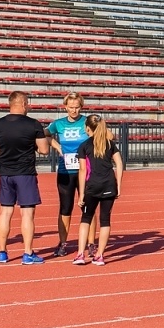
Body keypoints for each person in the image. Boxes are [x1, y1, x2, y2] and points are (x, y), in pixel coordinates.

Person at [0, 91, 50, 264]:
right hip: (25, 173)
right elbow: (44, 150)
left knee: (5, 212)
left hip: (6, 172)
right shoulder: (33, 124)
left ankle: (2, 252)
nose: (28, 106)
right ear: (22, 103)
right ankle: (28, 253)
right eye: (27, 103)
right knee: (27, 214)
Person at [45, 92, 90, 260]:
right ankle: (63, 243)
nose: (74, 111)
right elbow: (44, 134)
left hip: (86, 170)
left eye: (77, 107)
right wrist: (57, 147)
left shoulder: (87, 121)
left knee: (87, 206)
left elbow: (103, 134)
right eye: (71, 107)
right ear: (65, 107)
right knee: (65, 207)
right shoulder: (59, 124)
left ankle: (91, 243)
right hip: (66, 170)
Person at [76, 114, 124, 265]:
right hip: (109, 185)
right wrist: (119, 185)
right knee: (105, 220)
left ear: (87, 128)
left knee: (85, 219)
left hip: (92, 186)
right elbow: (120, 163)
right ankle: (100, 255)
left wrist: (81, 194)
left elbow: (83, 170)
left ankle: (80, 254)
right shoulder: (110, 144)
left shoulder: (84, 145)